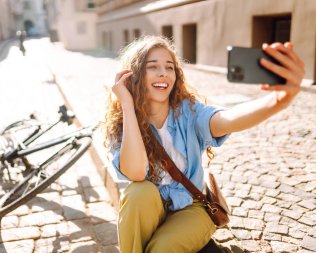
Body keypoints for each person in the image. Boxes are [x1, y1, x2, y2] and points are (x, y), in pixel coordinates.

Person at [103, 35, 304, 253]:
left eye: (169, 67)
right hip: (152, 207)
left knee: (162, 248)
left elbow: (227, 120)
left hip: (193, 207)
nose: (163, 73)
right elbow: (136, 173)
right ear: (132, 76)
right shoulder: (123, 124)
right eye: (153, 67)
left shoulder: (189, 112)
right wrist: (127, 105)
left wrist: (277, 101)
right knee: (137, 193)